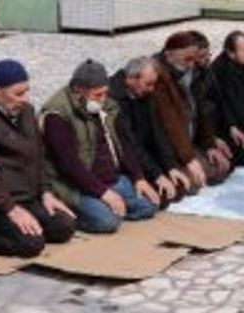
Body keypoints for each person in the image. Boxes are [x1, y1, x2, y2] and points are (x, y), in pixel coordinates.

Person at [0, 60, 76, 258]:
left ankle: (27, 221)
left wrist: (46, 192)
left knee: (65, 226)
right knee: (31, 244)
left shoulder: (27, 111)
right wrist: (10, 209)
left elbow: (38, 154)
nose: (26, 99)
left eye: (27, 91)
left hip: (28, 197)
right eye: (19, 94)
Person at [41, 59, 158, 233]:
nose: (103, 100)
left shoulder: (106, 105)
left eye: (105, 93)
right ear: (78, 90)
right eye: (98, 95)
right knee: (107, 222)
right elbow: (69, 164)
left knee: (150, 205)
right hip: (77, 186)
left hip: (111, 179)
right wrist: (103, 194)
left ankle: (112, 208)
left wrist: (138, 177)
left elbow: (123, 143)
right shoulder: (57, 115)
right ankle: (85, 213)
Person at [151, 32, 232, 191]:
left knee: (222, 167)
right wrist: (189, 159)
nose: (192, 64)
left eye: (194, 59)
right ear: (170, 54)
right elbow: (170, 122)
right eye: (188, 59)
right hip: (169, 146)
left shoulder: (193, 71)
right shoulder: (159, 76)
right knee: (192, 183)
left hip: (189, 140)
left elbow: (200, 111)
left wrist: (210, 144)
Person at [109, 56, 190, 207]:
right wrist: (157, 174)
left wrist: (170, 166)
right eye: (148, 84)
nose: (151, 89)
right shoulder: (113, 99)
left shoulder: (145, 94)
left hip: (146, 157)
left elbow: (158, 133)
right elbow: (129, 143)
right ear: (132, 78)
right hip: (127, 162)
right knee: (161, 197)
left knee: (180, 186)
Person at [207, 31, 244, 167]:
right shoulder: (220, 72)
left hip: (239, 124)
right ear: (231, 54)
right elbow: (232, 107)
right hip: (222, 126)